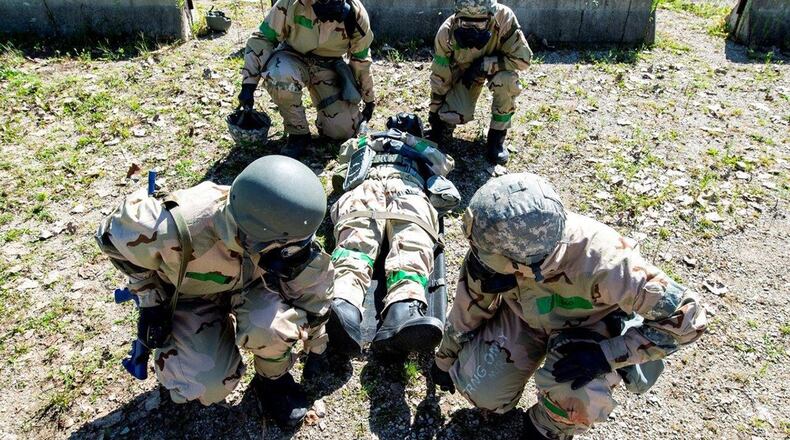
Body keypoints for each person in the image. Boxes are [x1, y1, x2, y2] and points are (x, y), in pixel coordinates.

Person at [430, 173, 708, 439]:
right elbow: (468, 308)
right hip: (523, 318)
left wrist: (606, 355)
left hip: (589, 329)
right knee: (481, 390)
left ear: (527, 261)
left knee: (577, 396)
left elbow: (689, 318)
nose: (477, 256)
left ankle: (547, 427)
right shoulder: (494, 244)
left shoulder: (606, 263)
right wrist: (444, 360)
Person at [95, 156, 334, 427]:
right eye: (289, 246)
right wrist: (150, 299)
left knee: (273, 328)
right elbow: (109, 238)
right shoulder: (171, 227)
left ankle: (272, 382)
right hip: (190, 295)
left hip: (253, 284)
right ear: (257, 236)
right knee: (206, 384)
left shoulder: (284, 227)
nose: (297, 250)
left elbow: (313, 290)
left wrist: (317, 344)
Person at [326, 113, 460, 355]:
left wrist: (411, 142)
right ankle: (344, 304)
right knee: (356, 239)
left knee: (411, 242)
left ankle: (403, 309)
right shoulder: (369, 142)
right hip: (368, 185)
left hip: (409, 186)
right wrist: (370, 140)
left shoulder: (424, 149)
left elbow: (443, 165)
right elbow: (345, 155)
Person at [239, 0, 376, 158]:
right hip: (292, 57)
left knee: (343, 131)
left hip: (329, 66)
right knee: (279, 74)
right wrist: (248, 85)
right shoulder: (291, 3)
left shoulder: (356, 15)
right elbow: (263, 39)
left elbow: (361, 61)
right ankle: (298, 134)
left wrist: (369, 98)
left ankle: (326, 120)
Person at [428, 0, 532, 165]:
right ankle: (444, 126)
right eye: (465, 24)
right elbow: (440, 77)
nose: (472, 31)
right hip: (465, 76)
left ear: (490, 17)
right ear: (457, 17)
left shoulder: (504, 19)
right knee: (453, 114)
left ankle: (497, 137)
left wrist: (485, 64)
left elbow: (523, 60)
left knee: (507, 81)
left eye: (480, 24)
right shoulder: (446, 33)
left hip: (496, 69)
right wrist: (434, 114)